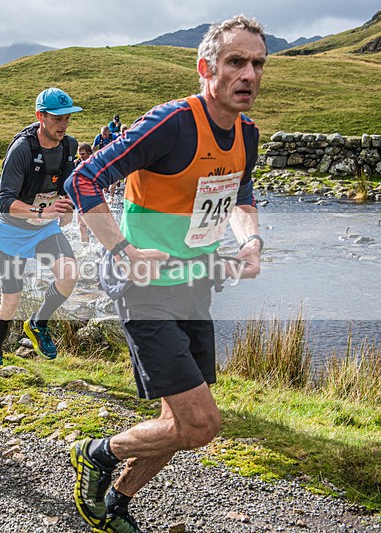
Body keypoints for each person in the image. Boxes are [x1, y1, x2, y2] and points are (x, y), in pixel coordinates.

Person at [65, 15, 265, 533]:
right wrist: (124, 248)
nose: (249, 75)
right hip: (143, 287)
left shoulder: (247, 132)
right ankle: (97, 452)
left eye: (258, 64)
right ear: (206, 68)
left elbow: (240, 197)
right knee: (202, 424)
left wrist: (249, 242)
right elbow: (83, 180)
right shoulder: (172, 124)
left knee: (178, 422)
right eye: (236, 62)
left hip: (194, 284)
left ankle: (115, 505)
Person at [0, 87, 82, 367]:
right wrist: (42, 211)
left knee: (69, 274)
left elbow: (65, 185)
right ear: (40, 116)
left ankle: (38, 324)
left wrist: (67, 206)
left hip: (43, 229)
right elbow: (3, 201)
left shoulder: (69, 145)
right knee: (11, 302)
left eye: (67, 118)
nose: (63, 125)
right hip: (13, 231)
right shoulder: (22, 150)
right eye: (57, 119)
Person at [75, 142, 93, 246]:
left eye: (83, 154)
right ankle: (85, 247)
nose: (81, 157)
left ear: (89, 153)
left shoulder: (94, 164)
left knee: (93, 223)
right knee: (81, 224)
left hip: (92, 196)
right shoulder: (76, 163)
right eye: (80, 154)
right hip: (80, 196)